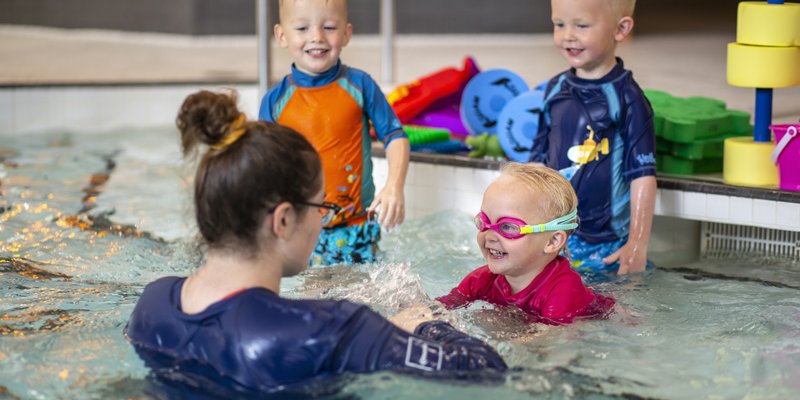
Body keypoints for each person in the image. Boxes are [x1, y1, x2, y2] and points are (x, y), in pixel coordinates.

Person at [124, 90, 506, 396]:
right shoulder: (330, 329)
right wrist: (424, 324)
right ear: (283, 220)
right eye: (320, 206)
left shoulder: (154, 304)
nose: (323, 219)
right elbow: (485, 369)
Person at [259, 0, 410, 266]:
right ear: (281, 36)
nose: (317, 37)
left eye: (329, 27)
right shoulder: (275, 100)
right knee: (313, 288)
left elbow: (395, 136)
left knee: (363, 286)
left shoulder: (360, 85)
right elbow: (264, 166)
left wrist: (394, 187)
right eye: (302, 28)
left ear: (346, 33)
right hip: (302, 231)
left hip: (357, 226)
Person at [528, 0, 657, 275]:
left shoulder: (628, 99)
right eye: (559, 24)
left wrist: (637, 244)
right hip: (555, 236)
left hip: (606, 247)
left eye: (582, 26)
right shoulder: (555, 89)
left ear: (620, 29)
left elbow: (643, 176)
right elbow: (537, 160)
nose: (568, 35)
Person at [436, 163, 615, 325]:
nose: (489, 236)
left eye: (508, 227)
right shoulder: (482, 279)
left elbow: (549, 343)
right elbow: (437, 308)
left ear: (552, 241)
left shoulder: (563, 290)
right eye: (484, 222)